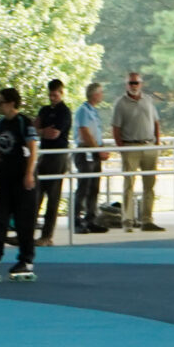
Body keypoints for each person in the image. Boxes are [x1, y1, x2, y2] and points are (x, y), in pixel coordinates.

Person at [0, 85, 42, 282]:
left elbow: (32, 149)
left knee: (24, 220)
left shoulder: (24, 122)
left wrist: (29, 174)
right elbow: (0, 150)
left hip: (21, 175)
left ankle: (26, 259)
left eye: (1, 102)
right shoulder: (1, 123)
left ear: (11, 103)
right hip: (5, 175)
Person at [113, 71, 163, 230]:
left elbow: (156, 122)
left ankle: (147, 220)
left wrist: (157, 143)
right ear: (126, 85)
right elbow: (116, 128)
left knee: (150, 185)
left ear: (141, 84)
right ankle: (127, 221)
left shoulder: (148, 100)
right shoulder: (120, 103)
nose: (133, 86)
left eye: (136, 83)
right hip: (130, 146)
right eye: (131, 83)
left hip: (149, 146)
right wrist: (121, 148)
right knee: (129, 185)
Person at [35, 78, 74, 246]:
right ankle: (27, 233)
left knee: (53, 195)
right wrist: (42, 131)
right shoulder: (44, 110)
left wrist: (41, 131)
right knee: (36, 193)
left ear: (62, 93)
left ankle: (47, 235)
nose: (52, 98)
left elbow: (54, 134)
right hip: (44, 154)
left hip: (58, 155)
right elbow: (34, 128)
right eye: (50, 95)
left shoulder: (64, 112)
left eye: (55, 95)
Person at [73, 81, 109, 233]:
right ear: (94, 94)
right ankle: (76, 221)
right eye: (100, 92)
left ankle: (90, 219)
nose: (102, 95)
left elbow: (95, 133)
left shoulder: (93, 111)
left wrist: (101, 148)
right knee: (84, 186)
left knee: (94, 187)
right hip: (85, 152)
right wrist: (97, 149)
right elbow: (85, 132)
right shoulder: (83, 110)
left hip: (94, 152)